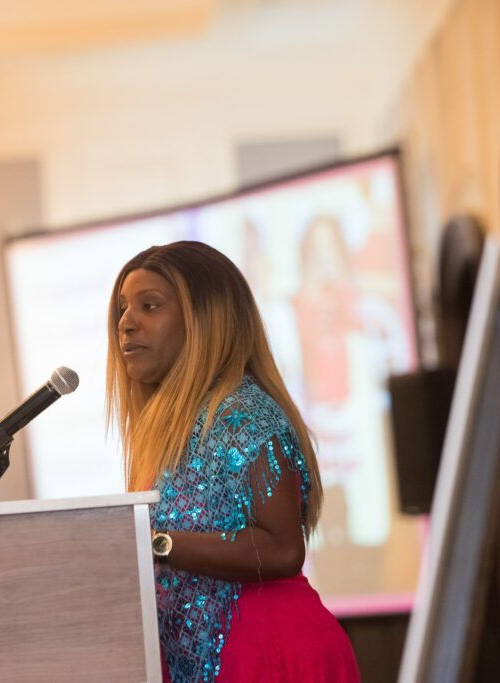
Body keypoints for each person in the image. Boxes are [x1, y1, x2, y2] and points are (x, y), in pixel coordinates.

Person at [106, 241, 359, 682]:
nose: (126, 323)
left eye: (149, 306)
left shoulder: (244, 415)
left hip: (270, 659)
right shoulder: (172, 430)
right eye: (123, 310)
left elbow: (282, 549)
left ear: (206, 321)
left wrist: (156, 543)